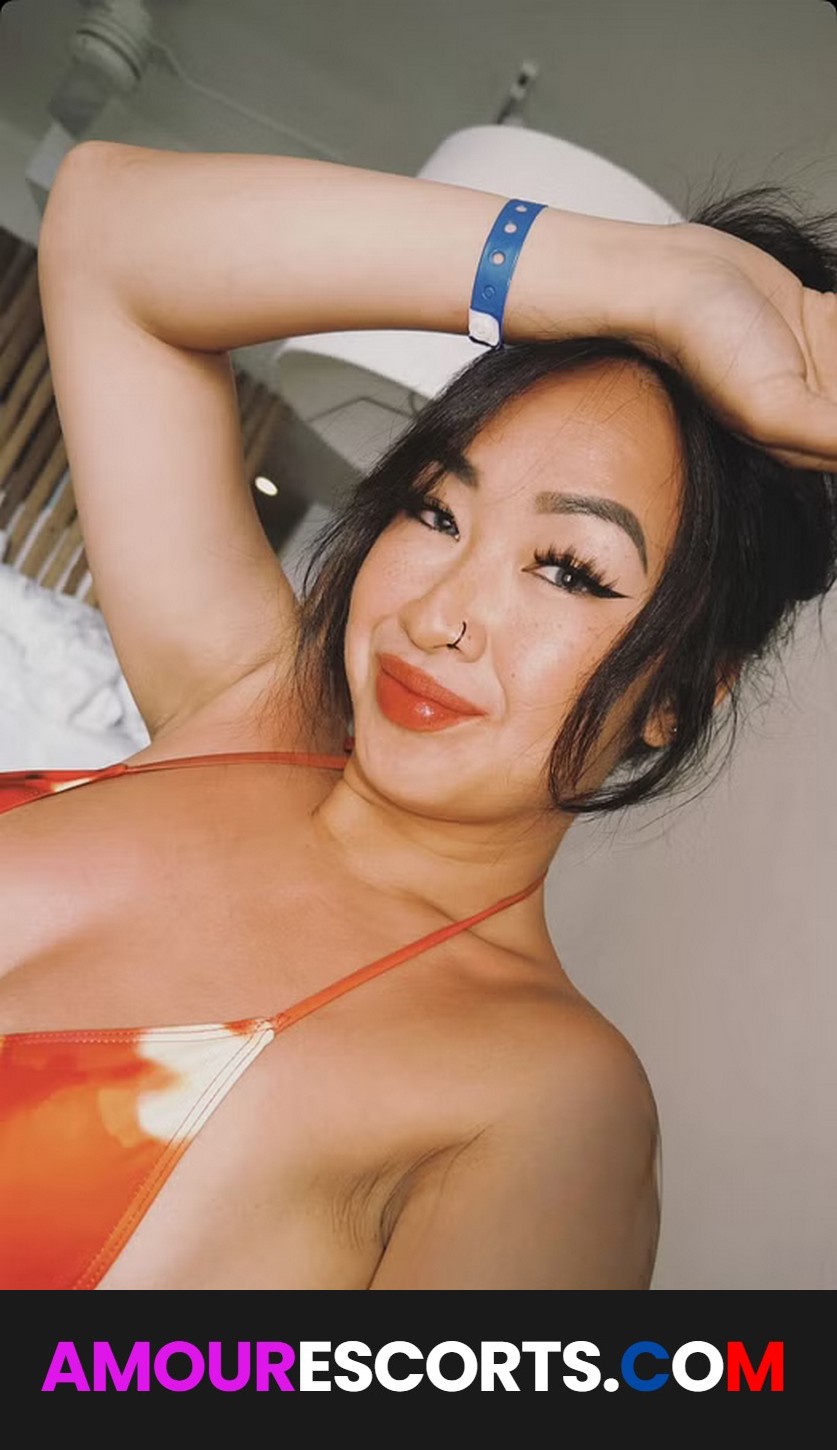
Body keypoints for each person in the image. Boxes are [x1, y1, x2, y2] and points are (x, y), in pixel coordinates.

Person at [0, 143, 835, 1292]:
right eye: (437, 512)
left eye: (569, 570)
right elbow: (107, 229)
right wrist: (656, 281)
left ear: (679, 693)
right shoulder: (246, 709)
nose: (439, 615)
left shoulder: (547, 1109)